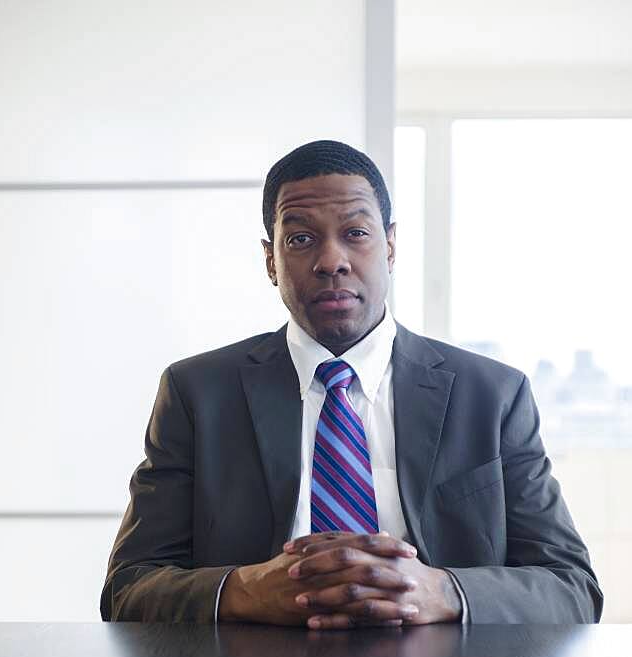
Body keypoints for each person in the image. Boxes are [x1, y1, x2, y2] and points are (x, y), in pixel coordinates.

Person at [100, 139, 602, 627]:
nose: (331, 261)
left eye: (356, 233)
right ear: (270, 260)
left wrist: (442, 590)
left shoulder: (492, 396)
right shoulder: (198, 393)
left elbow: (572, 587)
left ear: (390, 246)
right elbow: (128, 588)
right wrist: (246, 590)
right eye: (299, 239)